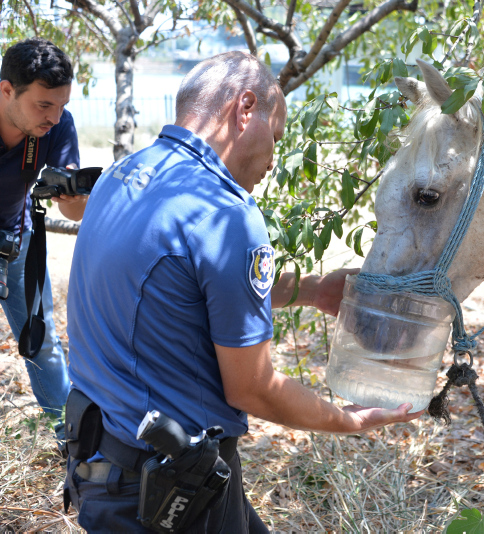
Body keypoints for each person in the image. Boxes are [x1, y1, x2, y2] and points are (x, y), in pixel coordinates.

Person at [64, 51, 422, 532]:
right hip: (167, 497)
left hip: (101, 467)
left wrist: (313, 289)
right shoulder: (225, 212)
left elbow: (190, 288)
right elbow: (253, 387)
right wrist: (348, 420)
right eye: (276, 137)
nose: (274, 159)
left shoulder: (123, 175)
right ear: (245, 108)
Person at [0, 38, 87, 427]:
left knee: (43, 343)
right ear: (7, 90)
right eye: (44, 105)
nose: (54, 117)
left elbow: (74, 212)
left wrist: (72, 192)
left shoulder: (58, 125)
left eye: (62, 105)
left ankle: (73, 443)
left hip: (16, 245)